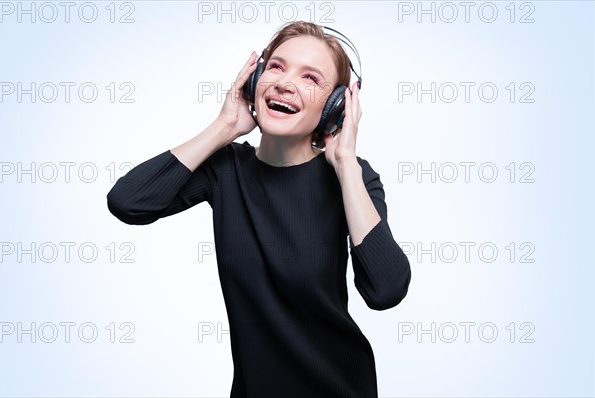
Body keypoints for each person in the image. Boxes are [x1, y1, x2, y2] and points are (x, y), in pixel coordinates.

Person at [107, 21, 411, 398]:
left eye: (311, 78)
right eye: (277, 67)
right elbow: (127, 201)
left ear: (334, 107)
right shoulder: (225, 170)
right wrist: (224, 126)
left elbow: (386, 290)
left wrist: (346, 164)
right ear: (254, 80)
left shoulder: (353, 177)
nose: (285, 83)